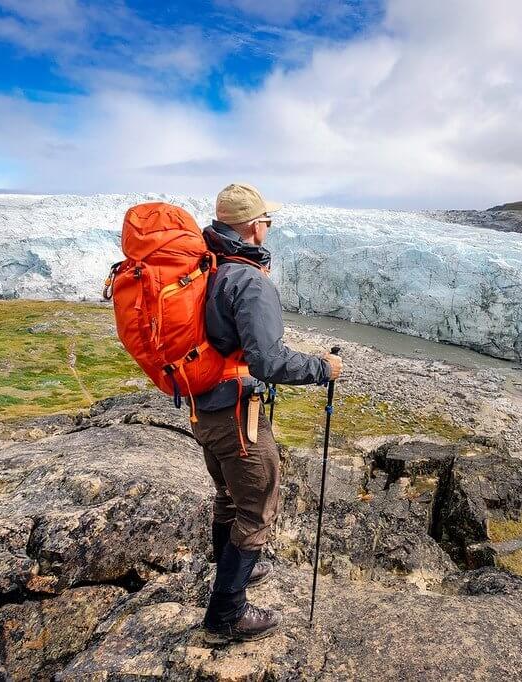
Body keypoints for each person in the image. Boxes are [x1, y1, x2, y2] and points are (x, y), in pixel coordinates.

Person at [193, 182, 343, 643]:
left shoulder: (208, 268)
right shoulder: (248, 281)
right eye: (267, 220)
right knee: (256, 509)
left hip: (205, 409)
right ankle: (226, 616)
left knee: (229, 498)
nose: (269, 227)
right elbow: (269, 362)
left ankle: (227, 579)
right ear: (254, 227)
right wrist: (323, 367)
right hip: (238, 416)